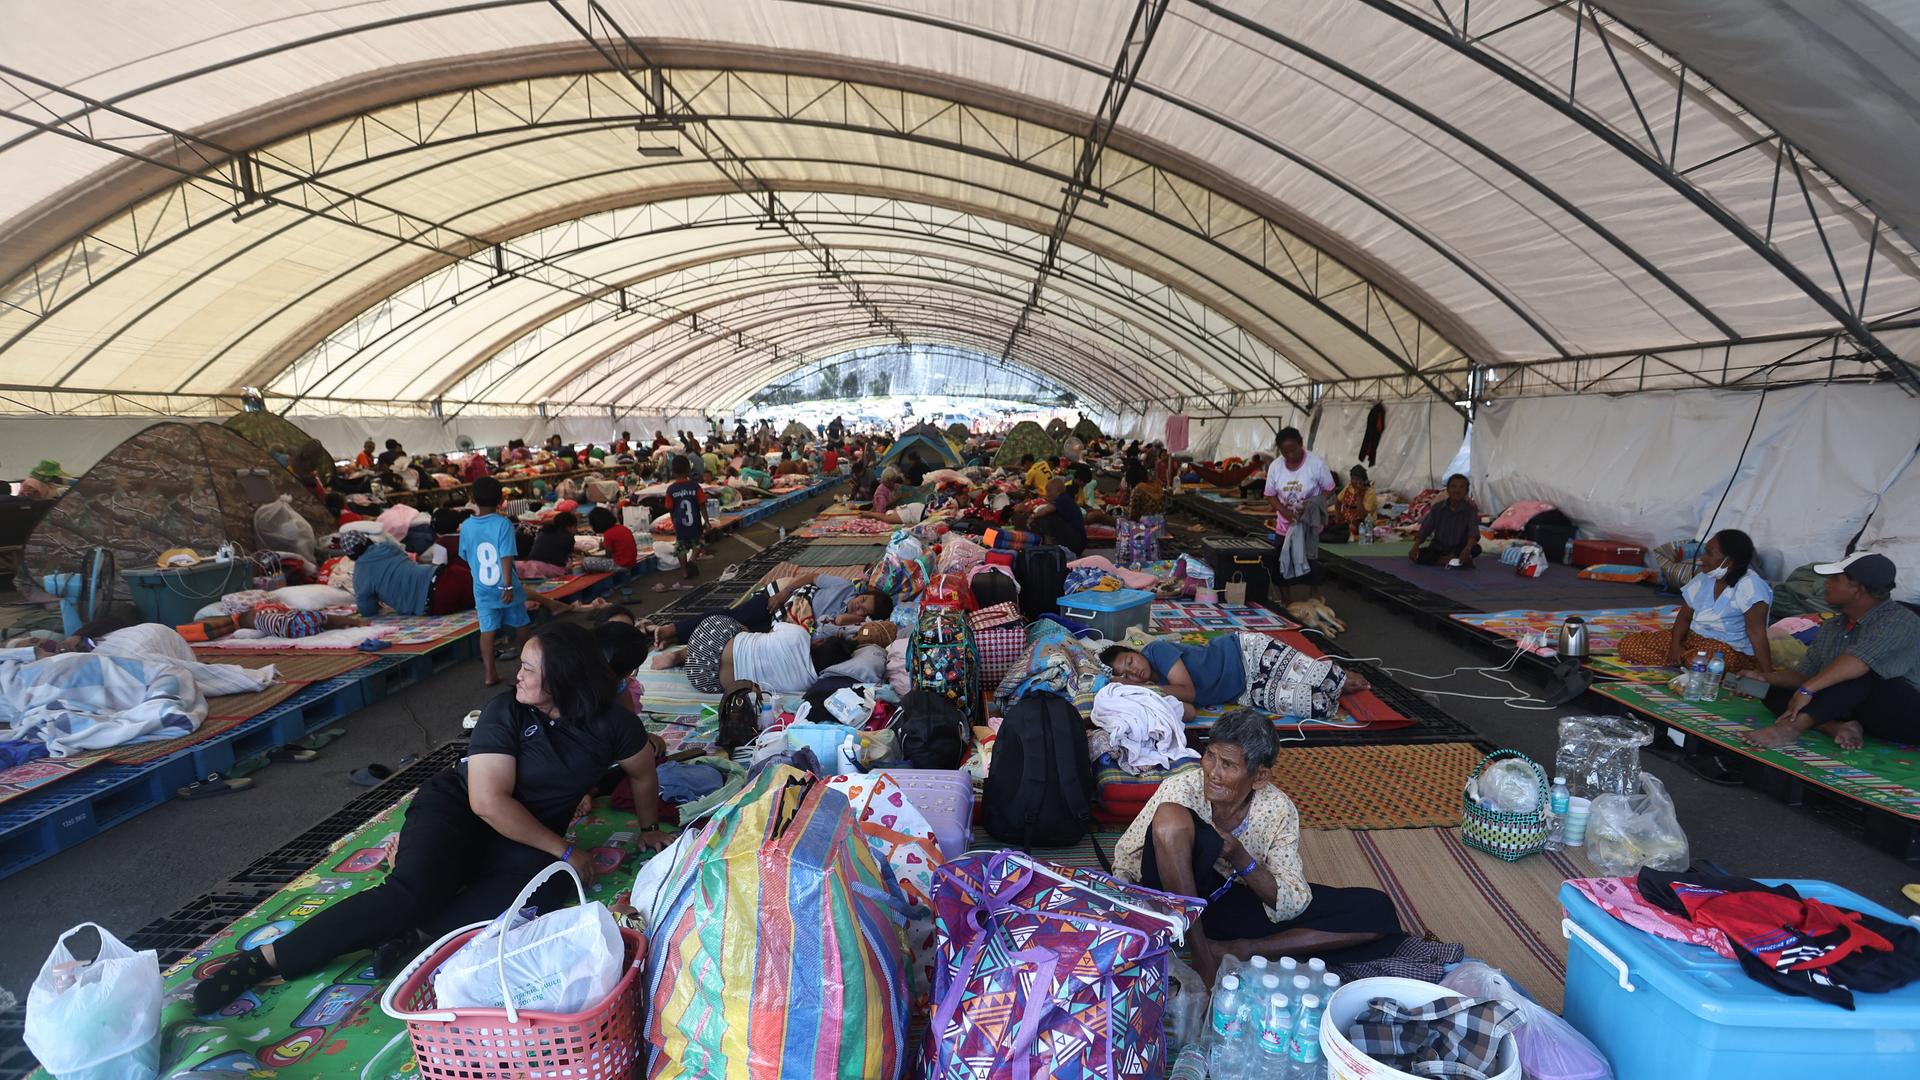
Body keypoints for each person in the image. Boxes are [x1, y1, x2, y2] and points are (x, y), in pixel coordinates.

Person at [189, 622, 670, 1014]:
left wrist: (648, 828)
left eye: (527, 667)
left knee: (545, 889)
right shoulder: (506, 712)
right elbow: (488, 802)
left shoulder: (613, 723)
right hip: (459, 808)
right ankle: (263, 959)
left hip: (525, 832)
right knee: (413, 891)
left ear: (562, 678)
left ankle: (415, 938)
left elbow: (643, 774)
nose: (517, 674)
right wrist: (564, 848)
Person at [1113, 709, 1404, 985]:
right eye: (1210, 756)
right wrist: (1125, 912)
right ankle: (1203, 957)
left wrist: (1240, 856)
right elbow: (1127, 858)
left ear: (1260, 776)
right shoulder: (1181, 788)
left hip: (1229, 905)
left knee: (1376, 909)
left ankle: (1242, 949)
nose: (1212, 772)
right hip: (1170, 900)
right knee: (1171, 817)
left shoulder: (1277, 808)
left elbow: (1289, 898)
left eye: (1228, 765)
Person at [1745, 553, 1918, 750]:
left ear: (1858, 589)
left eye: (1835, 579)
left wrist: (1807, 689)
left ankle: (1791, 728)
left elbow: (1856, 663)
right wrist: (1765, 678)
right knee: (1773, 690)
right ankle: (1836, 727)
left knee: (1860, 673)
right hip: (1853, 709)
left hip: (1905, 717)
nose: (1826, 583)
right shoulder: (1834, 625)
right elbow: (1805, 674)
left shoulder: (1900, 621)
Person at [1102, 634, 1370, 722]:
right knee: (1317, 705)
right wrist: (1135, 689)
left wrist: (1138, 686)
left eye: (1130, 661)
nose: (1133, 671)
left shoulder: (1156, 650)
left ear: (1135, 651)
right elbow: (1188, 712)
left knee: (1333, 681)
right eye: (1125, 674)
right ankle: (1331, 684)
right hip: (1243, 690)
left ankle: (1340, 675)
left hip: (1245, 653)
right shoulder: (1147, 689)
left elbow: (1188, 692)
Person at [1618, 529, 1772, 673]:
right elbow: (1684, 617)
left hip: (1727, 649)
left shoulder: (1751, 586)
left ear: (1728, 561)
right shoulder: (1704, 578)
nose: (1702, 558)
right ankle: (1686, 661)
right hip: (1692, 640)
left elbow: (1756, 633)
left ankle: (1688, 662)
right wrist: (1675, 646)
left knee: (1709, 661)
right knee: (1628, 645)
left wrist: (1766, 674)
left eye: (1709, 554)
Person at [461, 476, 531, 687]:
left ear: (472, 498)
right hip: (506, 585)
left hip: (482, 589)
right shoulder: (503, 523)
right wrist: (508, 584)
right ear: (501, 499)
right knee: (520, 623)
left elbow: (465, 555)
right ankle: (529, 668)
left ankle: (490, 674)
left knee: (487, 630)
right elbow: (506, 555)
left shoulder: (465, 526)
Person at [1264, 428, 1335, 603]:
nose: (1290, 455)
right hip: (1285, 524)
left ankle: (1314, 594)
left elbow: (1330, 488)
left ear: (1301, 444)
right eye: (1285, 452)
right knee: (1282, 559)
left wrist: (1313, 503)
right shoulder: (1276, 466)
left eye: (1293, 450)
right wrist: (1283, 510)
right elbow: (1269, 495)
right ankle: (1286, 597)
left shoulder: (1316, 463)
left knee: (1310, 558)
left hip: (1309, 523)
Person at [1409, 473, 1481, 567]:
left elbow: (1473, 533)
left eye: (1461, 487)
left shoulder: (1471, 510)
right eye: (1454, 487)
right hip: (1438, 548)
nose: (1457, 490)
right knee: (1419, 555)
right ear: (1447, 490)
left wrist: (1467, 549)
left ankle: (1450, 559)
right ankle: (1450, 560)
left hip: (1459, 548)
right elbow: (1426, 528)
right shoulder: (1437, 508)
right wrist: (1415, 546)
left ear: (1466, 491)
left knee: (1475, 549)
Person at [666, 455, 706, 582]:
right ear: (689, 469)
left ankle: (684, 571)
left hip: (679, 523)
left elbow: (670, 509)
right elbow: (702, 505)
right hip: (695, 522)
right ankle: (692, 560)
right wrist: (707, 521)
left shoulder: (671, 489)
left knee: (681, 547)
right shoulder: (695, 486)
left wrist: (674, 522)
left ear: (673, 471)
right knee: (699, 543)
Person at [1029, 475, 1087, 554]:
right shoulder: (1064, 499)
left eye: (1049, 491)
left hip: (1076, 542)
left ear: (1058, 490)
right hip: (1076, 541)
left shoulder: (1063, 498)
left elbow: (1047, 510)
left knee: (1047, 517)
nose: (1047, 494)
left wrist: (1032, 516)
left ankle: (1048, 548)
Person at [1328, 464, 1378, 536]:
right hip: (1346, 522)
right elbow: (1338, 501)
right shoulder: (1349, 487)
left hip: (1363, 525)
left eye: (1357, 479)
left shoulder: (1370, 493)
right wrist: (1338, 515)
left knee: (1350, 529)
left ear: (1363, 481)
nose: (1355, 482)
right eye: (1353, 479)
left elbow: (1363, 516)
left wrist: (1359, 496)